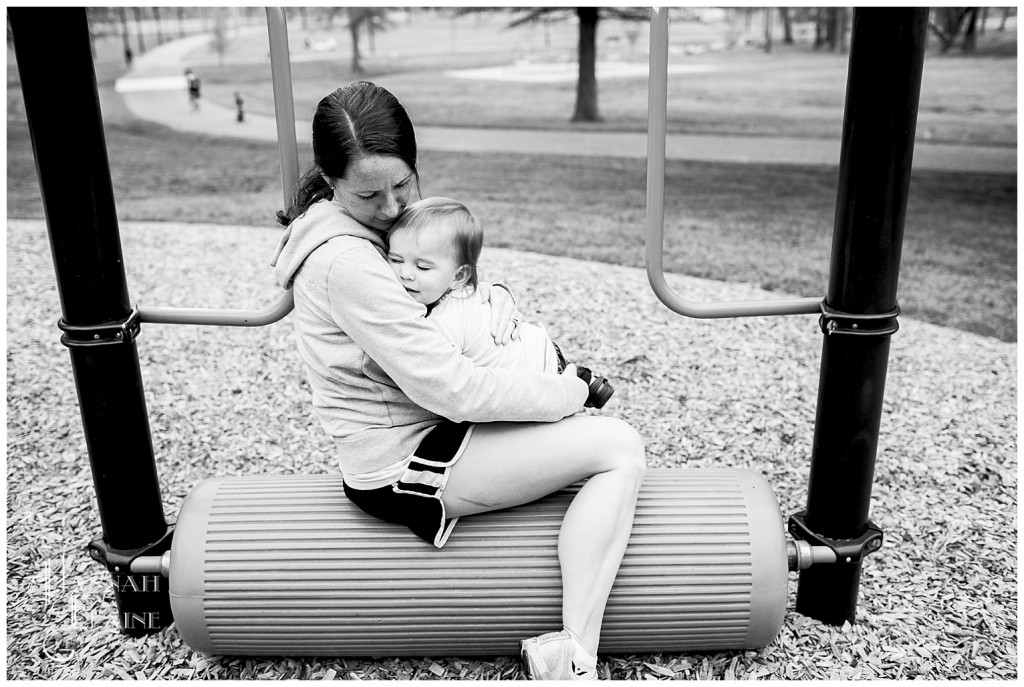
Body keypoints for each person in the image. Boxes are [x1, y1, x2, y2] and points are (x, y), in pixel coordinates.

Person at [271, 81, 645, 681]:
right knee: (618, 447)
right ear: (331, 180)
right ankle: (573, 656)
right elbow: (452, 388)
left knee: (595, 432)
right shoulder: (346, 261)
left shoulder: (357, 231)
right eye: (370, 193)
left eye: (403, 185)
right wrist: (566, 394)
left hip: (430, 432)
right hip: (403, 463)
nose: (392, 207)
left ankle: (572, 649)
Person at [386, 196, 613, 408]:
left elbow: (439, 380)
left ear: (458, 276)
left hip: (539, 373)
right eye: (395, 259)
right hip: (538, 344)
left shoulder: (444, 323)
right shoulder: (464, 292)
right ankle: (588, 380)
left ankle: (582, 385)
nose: (405, 273)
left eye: (422, 267)